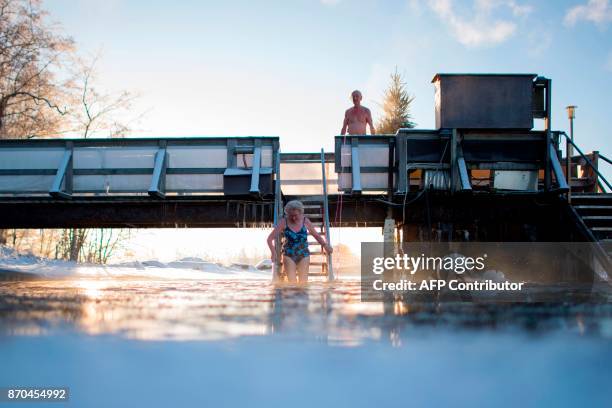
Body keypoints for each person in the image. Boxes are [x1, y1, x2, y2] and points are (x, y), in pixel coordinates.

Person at [267, 200, 333, 283]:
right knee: (292, 283)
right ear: (287, 213)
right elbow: (269, 239)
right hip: (289, 255)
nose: (293, 218)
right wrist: (273, 253)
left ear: (301, 212)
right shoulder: (284, 222)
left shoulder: (306, 221)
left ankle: (302, 296)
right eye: (291, 216)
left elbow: (316, 235)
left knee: (303, 283)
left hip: (304, 254)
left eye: (295, 215)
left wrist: (325, 245)